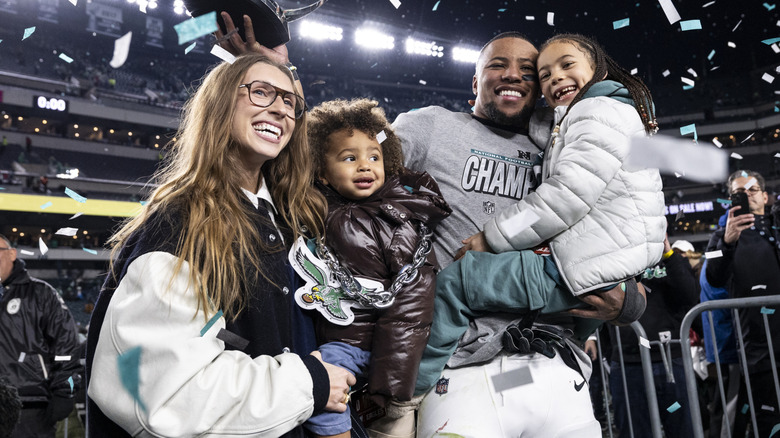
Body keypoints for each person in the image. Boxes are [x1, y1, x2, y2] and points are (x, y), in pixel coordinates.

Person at [85, 54, 356, 437]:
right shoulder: (179, 225)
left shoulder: (286, 218)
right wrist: (310, 382)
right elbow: (162, 396)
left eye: (290, 102)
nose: (280, 108)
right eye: (261, 92)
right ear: (219, 104)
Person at [394, 31, 642, 437]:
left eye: (528, 71)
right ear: (475, 82)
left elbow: (619, 222)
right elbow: (343, 162)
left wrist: (630, 300)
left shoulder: (562, 145)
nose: (513, 76)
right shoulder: (429, 126)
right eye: (497, 65)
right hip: (463, 366)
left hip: (551, 365)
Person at [303, 98, 451, 438]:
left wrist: (390, 381)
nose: (365, 166)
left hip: (358, 343)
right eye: (350, 158)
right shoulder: (320, 204)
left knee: (323, 398)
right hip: (331, 332)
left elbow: (411, 305)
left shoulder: (394, 222)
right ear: (322, 174)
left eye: (374, 157)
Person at [705, 169, 780, 437]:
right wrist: (726, 243)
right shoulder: (723, 234)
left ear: (765, 195)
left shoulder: (776, 224)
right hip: (756, 345)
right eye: (739, 193)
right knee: (768, 418)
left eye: (752, 190)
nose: (747, 196)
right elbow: (713, 278)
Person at [609, 235, 699, 438]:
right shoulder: (613, 258)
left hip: (671, 364)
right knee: (636, 431)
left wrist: (667, 251)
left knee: (683, 429)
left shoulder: (670, 258)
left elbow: (690, 295)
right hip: (628, 365)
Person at [0, 234, 81, 438]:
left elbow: (66, 347)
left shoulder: (41, 294)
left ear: (11, 254)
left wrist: (65, 391)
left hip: (30, 406)